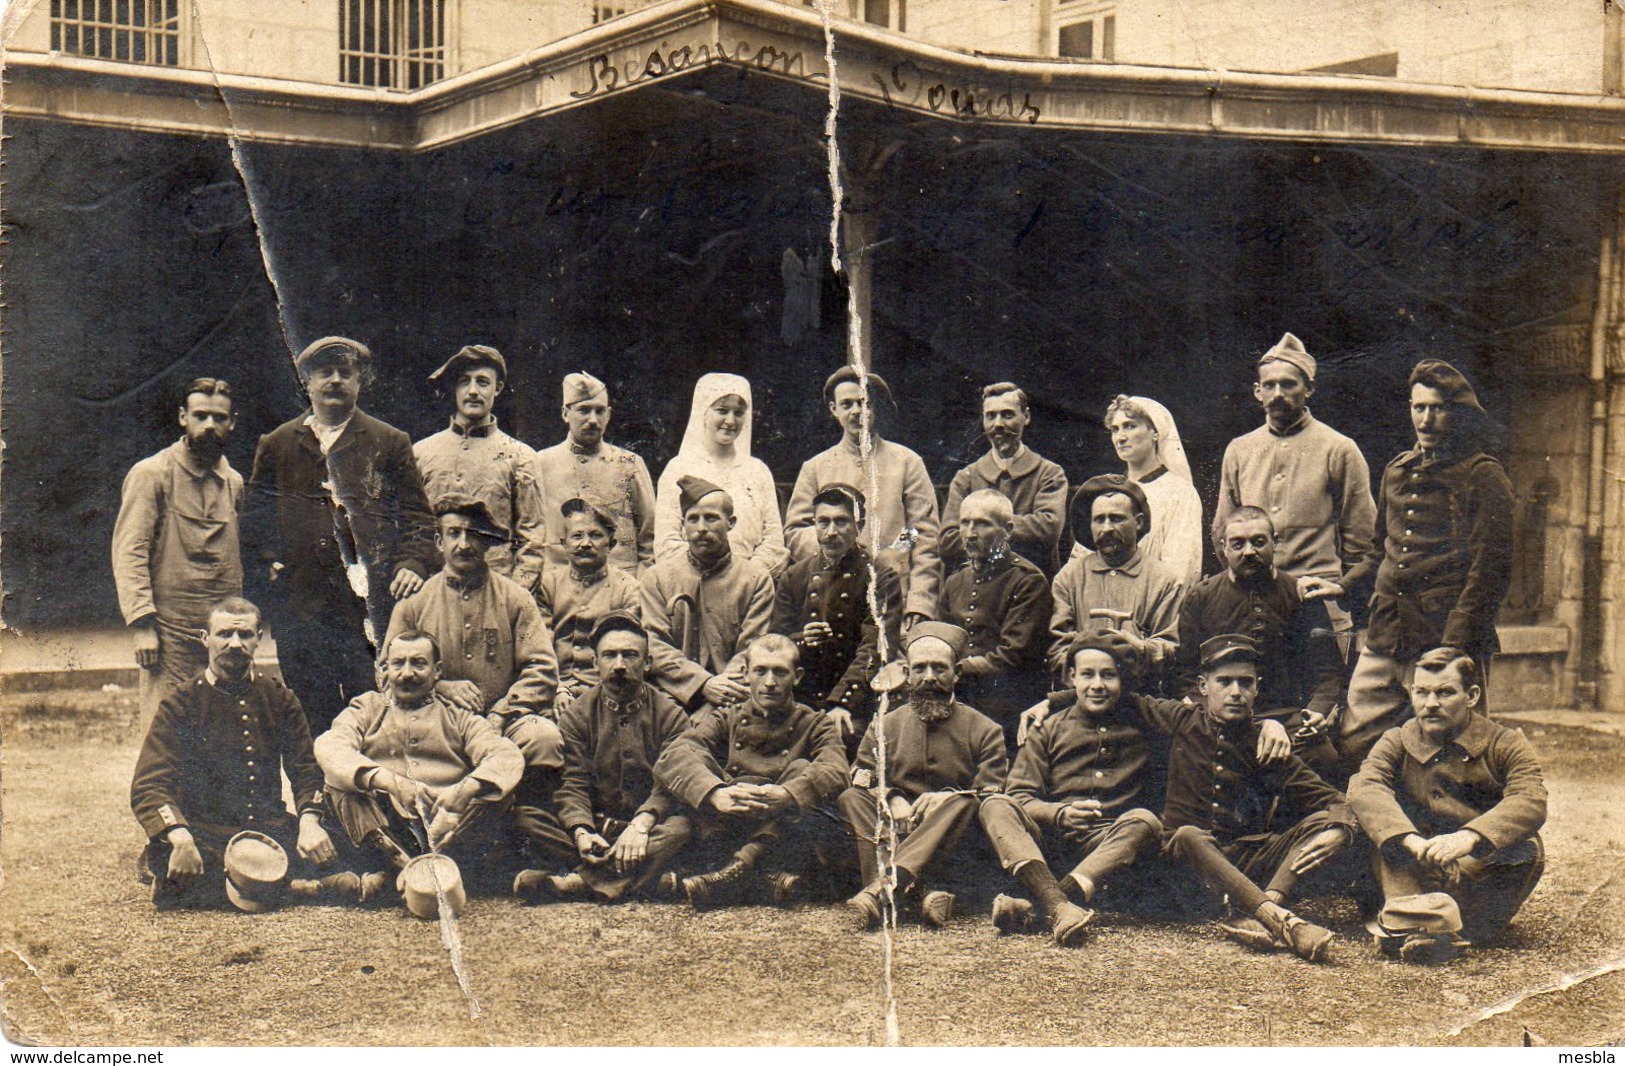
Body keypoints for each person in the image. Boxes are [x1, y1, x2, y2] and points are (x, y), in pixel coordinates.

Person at [243, 336, 436, 732]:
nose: (334, 381)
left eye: (344, 373)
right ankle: (317, 795)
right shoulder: (278, 444)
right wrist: (271, 566)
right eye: (324, 373)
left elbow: (418, 516)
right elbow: (253, 522)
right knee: (310, 713)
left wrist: (413, 563)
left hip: (368, 609)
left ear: (359, 382)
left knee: (374, 711)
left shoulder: (389, 442)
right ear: (307, 383)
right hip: (302, 608)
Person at [1335, 359, 1515, 764]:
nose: (1427, 418)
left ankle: (1467, 828)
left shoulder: (1483, 475)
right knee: (1354, 736)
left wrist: (1454, 646)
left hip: (1446, 634)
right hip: (1388, 630)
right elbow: (1380, 550)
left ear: (1459, 414)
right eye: (1419, 407)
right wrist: (1344, 585)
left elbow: (1489, 571)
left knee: (1461, 750)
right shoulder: (1397, 470)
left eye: (1438, 408)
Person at [131, 597, 339, 908]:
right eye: (224, 634)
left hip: (269, 830)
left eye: (245, 635)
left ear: (259, 640)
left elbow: (306, 771)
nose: (235, 644)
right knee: (171, 857)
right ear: (206, 639)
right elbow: (149, 784)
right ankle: (303, 889)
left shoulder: (280, 698)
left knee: (336, 846)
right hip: (207, 835)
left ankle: (234, 886)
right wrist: (180, 837)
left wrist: (309, 823)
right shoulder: (181, 702)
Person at [1162, 635, 1358, 963]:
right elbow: (1120, 699)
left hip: (1247, 861)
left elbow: (1336, 801)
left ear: (1257, 689)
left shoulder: (1268, 742)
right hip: (1189, 868)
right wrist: (1052, 701)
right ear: (1203, 685)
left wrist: (1340, 828)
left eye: (1245, 682)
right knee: (1187, 833)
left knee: (1322, 821)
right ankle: (1283, 922)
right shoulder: (1179, 720)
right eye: (1224, 682)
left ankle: (1266, 905)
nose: (1235, 692)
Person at [1348, 648, 1547, 963]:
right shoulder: (1396, 740)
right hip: (1410, 865)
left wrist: (1468, 838)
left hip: (1472, 869)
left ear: (1472, 695)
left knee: (1526, 848)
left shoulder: (1504, 742)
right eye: (1421, 692)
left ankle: (1410, 924)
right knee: (1378, 828)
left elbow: (1530, 799)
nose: (1430, 704)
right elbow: (1364, 786)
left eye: (1445, 693)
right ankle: (1426, 924)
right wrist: (1409, 840)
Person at [978, 630, 1164, 946]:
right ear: (1072, 677)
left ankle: (1045, 905)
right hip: (1049, 844)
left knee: (1145, 820)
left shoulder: (1145, 725)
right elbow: (1020, 796)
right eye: (1087, 675)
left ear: (1123, 680)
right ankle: (1060, 906)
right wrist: (1059, 813)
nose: (1097, 685)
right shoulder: (1049, 727)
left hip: (1105, 849)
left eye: (1108, 675)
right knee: (995, 805)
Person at [314, 630, 525, 896]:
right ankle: (406, 865)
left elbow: (505, 755)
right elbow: (329, 746)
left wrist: (464, 791)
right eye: (398, 663)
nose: (407, 673)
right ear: (384, 670)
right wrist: (391, 782)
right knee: (338, 783)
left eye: (418, 663)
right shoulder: (368, 708)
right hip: (389, 826)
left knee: (498, 789)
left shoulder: (458, 715)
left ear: (437, 671)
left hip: (451, 827)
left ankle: (412, 876)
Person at [654, 634, 849, 908]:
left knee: (802, 768)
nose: (769, 682)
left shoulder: (816, 723)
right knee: (699, 759)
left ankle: (737, 870)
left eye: (780, 672)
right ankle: (762, 877)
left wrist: (788, 793)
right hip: (729, 823)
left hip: (782, 827)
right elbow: (674, 755)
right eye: (761, 671)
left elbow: (837, 768)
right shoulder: (725, 718)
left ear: (797, 676)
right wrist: (715, 792)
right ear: (746, 673)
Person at [510, 612, 693, 903]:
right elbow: (573, 782)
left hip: (648, 829)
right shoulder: (576, 716)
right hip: (598, 827)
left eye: (630, 655)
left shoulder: (672, 716)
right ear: (596, 663)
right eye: (610, 655)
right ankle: (646, 880)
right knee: (527, 816)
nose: (619, 665)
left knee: (680, 829)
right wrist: (582, 831)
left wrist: (640, 826)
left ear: (647, 664)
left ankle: (579, 883)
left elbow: (672, 784)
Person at [383, 494, 563, 789]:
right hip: (436, 722)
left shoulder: (515, 599)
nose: (464, 544)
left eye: (473, 535)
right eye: (454, 533)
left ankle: (532, 824)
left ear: (487, 542)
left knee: (543, 738)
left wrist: (501, 713)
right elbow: (384, 672)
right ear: (439, 543)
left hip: (505, 722)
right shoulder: (414, 603)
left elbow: (542, 669)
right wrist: (439, 686)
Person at [840, 623, 1007, 929]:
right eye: (920, 668)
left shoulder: (986, 729)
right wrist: (893, 797)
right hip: (896, 823)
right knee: (853, 798)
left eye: (939, 668)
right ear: (906, 672)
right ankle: (921, 891)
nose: (929, 677)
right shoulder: (884, 726)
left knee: (967, 803)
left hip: (952, 839)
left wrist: (948, 798)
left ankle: (884, 892)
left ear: (956, 673)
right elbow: (863, 775)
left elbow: (992, 790)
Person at [1212, 333, 1376, 617]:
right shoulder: (1239, 449)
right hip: (1254, 599)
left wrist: (1346, 592)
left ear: (1309, 388)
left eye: (1288, 384)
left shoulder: (1339, 448)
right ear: (1257, 391)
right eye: (1269, 385)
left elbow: (1361, 536)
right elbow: (1223, 530)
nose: (1278, 393)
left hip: (1317, 598)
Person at [1176, 507, 1345, 777]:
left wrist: (1316, 712)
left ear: (1274, 542)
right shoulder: (1201, 597)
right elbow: (1186, 673)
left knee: (1322, 759)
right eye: (1238, 544)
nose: (1249, 552)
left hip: (1289, 717)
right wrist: (1211, 713)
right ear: (1224, 547)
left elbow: (1328, 673)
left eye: (1258, 542)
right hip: (1223, 715)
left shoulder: (1300, 595)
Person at [112, 377, 245, 699]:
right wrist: (143, 625)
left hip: (224, 635)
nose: (210, 426)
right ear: (183, 417)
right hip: (170, 633)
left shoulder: (234, 482)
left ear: (233, 423)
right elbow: (130, 552)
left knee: (223, 730)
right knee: (168, 736)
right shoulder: (152, 474)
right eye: (200, 416)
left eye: (220, 417)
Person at [785, 366, 942, 627]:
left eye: (864, 403)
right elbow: (796, 529)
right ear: (834, 410)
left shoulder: (907, 462)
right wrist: (836, 552)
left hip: (892, 594)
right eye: (846, 404)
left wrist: (897, 555)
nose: (856, 411)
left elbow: (921, 531)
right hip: (831, 593)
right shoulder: (815, 467)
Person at [770, 483, 901, 743]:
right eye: (823, 522)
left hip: (856, 700)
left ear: (859, 526)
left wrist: (843, 703)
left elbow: (876, 648)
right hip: (801, 698)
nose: (831, 532)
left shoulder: (880, 578)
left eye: (841, 522)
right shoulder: (794, 577)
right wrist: (801, 640)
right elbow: (775, 643)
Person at [412, 344, 547, 588]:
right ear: (454, 388)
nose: (473, 391)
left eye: (483, 382)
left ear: (498, 388)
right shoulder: (421, 452)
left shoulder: (520, 456)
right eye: (465, 381)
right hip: (432, 592)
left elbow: (532, 540)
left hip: (496, 593)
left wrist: (513, 598)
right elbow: (409, 526)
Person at [641, 477, 776, 712]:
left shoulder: (756, 579)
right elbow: (653, 643)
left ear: (731, 522)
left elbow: (752, 646)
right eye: (693, 519)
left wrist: (722, 689)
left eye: (711, 518)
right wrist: (702, 684)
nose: (701, 528)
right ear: (683, 525)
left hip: (735, 694)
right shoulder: (657, 578)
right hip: (671, 693)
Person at [939, 489, 1052, 739]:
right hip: (957, 693)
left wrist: (956, 669)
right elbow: (942, 638)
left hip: (1005, 700)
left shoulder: (1028, 581)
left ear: (1008, 530)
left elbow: (1014, 654)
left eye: (982, 524)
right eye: (965, 523)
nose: (970, 534)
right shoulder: (956, 580)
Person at [1049, 475, 1183, 683]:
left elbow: (1171, 647)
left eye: (1117, 518)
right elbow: (1057, 648)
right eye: (1099, 519)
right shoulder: (1069, 578)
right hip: (1082, 697)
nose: (1107, 528)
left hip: (1143, 697)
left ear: (1138, 522)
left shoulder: (1165, 581)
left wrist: (1140, 649)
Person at [653, 373, 788, 576]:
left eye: (739, 413)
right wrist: (710, 575)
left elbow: (774, 541)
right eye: (722, 411)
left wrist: (745, 577)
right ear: (704, 413)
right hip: (691, 583)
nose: (731, 421)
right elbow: (667, 542)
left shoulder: (758, 471)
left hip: (749, 585)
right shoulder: (678, 469)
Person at [532, 371, 657, 576]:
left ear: (608, 415)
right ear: (565, 413)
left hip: (620, 586)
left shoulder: (629, 463)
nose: (592, 420)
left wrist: (640, 587)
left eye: (599, 411)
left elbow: (650, 535)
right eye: (584, 410)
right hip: (558, 587)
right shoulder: (540, 463)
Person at [940, 382, 1068, 577]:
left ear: (1026, 417)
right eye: (990, 416)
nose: (998, 424)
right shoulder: (966, 477)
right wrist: (1012, 530)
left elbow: (1047, 530)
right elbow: (948, 540)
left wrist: (979, 530)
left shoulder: (1049, 474)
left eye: (1007, 415)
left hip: (1034, 588)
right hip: (977, 591)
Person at [534, 498, 641, 713]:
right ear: (564, 543)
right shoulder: (548, 585)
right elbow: (539, 647)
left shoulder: (627, 587)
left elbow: (626, 651)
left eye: (595, 535)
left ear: (610, 544)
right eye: (577, 536)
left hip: (609, 692)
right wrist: (558, 689)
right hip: (553, 689)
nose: (585, 543)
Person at [1102, 395, 1204, 587]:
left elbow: (1180, 572)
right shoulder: (1106, 492)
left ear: (1155, 433)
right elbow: (1081, 561)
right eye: (1115, 429)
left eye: (1130, 426)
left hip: (1153, 606)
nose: (1120, 437)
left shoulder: (1180, 494)